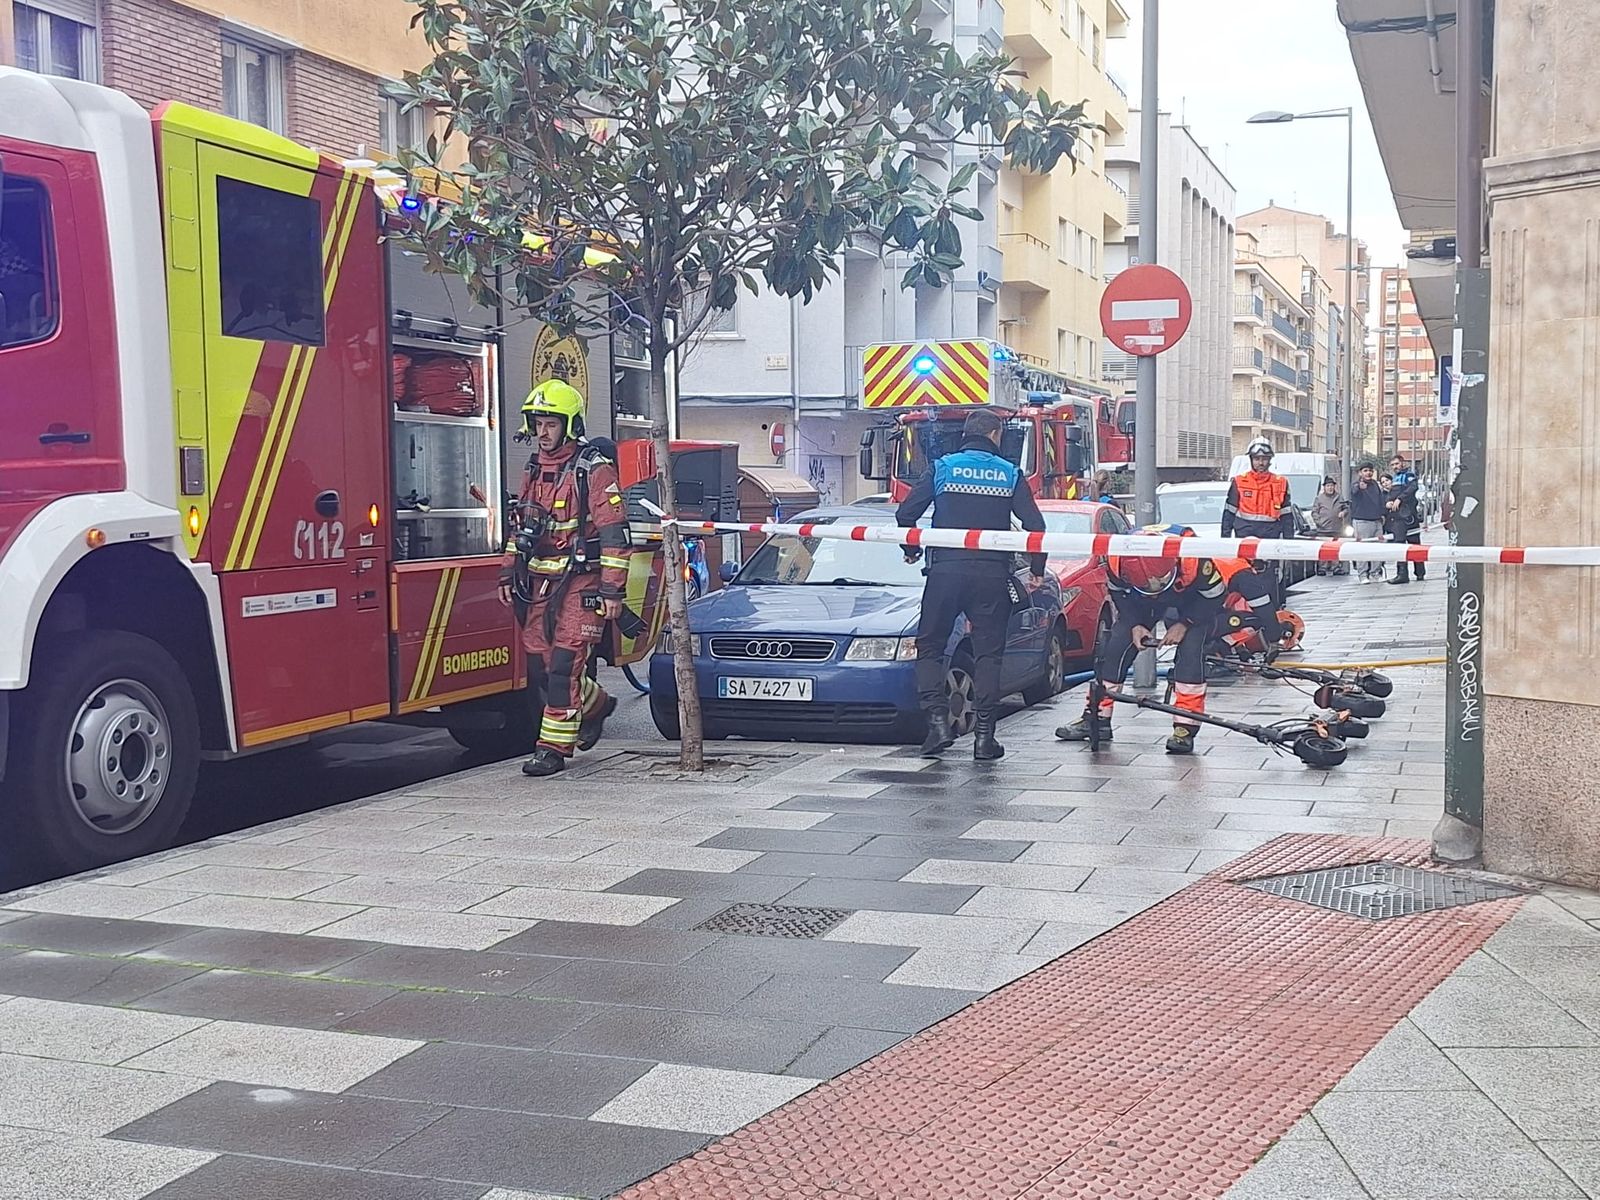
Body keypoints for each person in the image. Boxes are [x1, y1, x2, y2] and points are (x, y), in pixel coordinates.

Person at [897, 408, 1046, 761]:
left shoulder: (943, 468)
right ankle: (984, 739)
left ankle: (937, 723)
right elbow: (1035, 527)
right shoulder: (1010, 473)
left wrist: (911, 549)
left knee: (930, 645)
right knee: (988, 655)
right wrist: (1037, 569)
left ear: (967, 434)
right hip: (991, 576)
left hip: (945, 573)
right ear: (995, 435)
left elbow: (906, 515)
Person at [499, 380, 631, 777]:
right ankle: (596, 706)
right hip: (541, 582)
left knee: (562, 665)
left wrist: (612, 589)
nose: (543, 431)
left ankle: (553, 748)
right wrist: (508, 571)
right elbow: (522, 524)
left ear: (570, 424)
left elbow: (613, 532)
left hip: (582, 581)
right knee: (540, 667)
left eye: (551, 423)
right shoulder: (534, 468)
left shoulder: (594, 469)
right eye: (537, 422)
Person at [1056, 525, 1230, 755]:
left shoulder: (1194, 559)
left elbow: (1215, 597)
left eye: (1158, 583)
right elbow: (1118, 593)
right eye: (1150, 586)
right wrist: (1135, 623)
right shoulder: (1117, 560)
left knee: (1190, 652)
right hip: (1139, 601)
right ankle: (1096, 719)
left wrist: (1185, 623)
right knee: (1116, 646)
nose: (1155, 590)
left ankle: (1185, 728)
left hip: (1193, 600)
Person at [1221, 436, 1294, 608]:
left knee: (1271, 577)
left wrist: (1290, 542)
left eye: (1264, 459)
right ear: (1251, 460)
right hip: (1245, 536)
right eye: (1257, 459)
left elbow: (1286, 514)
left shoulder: (1281, 482)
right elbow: (1229, 512)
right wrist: (1224, 540)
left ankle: (1273, 609)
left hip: (1270, 537)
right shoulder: (1239, 482)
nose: (1260, 462)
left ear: (1270, 460)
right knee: (1245, 575)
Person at [1385, 453, 1426, 585]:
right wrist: (1389, 502)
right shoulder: (1395, 478)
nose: (1395, 467)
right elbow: (1391, 495)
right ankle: (1402, 573)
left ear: (1402, 463)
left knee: (1413, 544)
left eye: (1396, 464)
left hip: (1408, 516)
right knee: (1400, 544)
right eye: (1392, 465)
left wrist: (1399, 499)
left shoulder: (1409, 475)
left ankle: (1418, 572)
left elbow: (1413, 488)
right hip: (1398, 517)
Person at [1347, 462, 1387, 584]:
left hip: (1377, 521)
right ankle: (1363, 574)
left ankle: (1376, 572)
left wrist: (1383, 514)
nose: (1368, 473)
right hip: (1362, 521)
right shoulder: (1357, 485)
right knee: (1362, 549)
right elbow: (1354, 491)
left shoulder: (1375, 485)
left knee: (1378, 548)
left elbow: (1381, 500)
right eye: (1365, 470)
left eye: (1370, 470)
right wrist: (1359, 487)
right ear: (1360, 473)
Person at [1308, 477, 1350, 576]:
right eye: (1328, 486)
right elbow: (1314, 512)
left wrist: (1343, 513)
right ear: (1324, 487)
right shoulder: (1319, 498)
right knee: (1323, 549)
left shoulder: (1339, 497)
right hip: (1323, 529)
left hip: (1337, 528)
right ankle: (1322, 567)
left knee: (1335, 548)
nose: (1330, 488)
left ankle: (1335, 567)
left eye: (1331, 486)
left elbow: (1346, 508)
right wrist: (1320, 522)